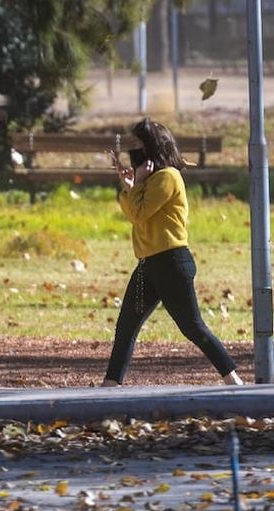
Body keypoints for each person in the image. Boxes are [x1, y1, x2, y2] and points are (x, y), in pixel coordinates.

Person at [102, 117, 243, 387]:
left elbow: (139, 213)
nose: (135, 151)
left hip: (171, 263)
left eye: (139, 145)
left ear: (152, 149)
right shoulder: (150, 180)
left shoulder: (167, 177)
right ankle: (110, 385)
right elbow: (135, 210)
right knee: (127, 325)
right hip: (148, 266)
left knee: (192, 326)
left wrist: (137, 183)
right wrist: (131, 185)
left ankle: (232, 378)